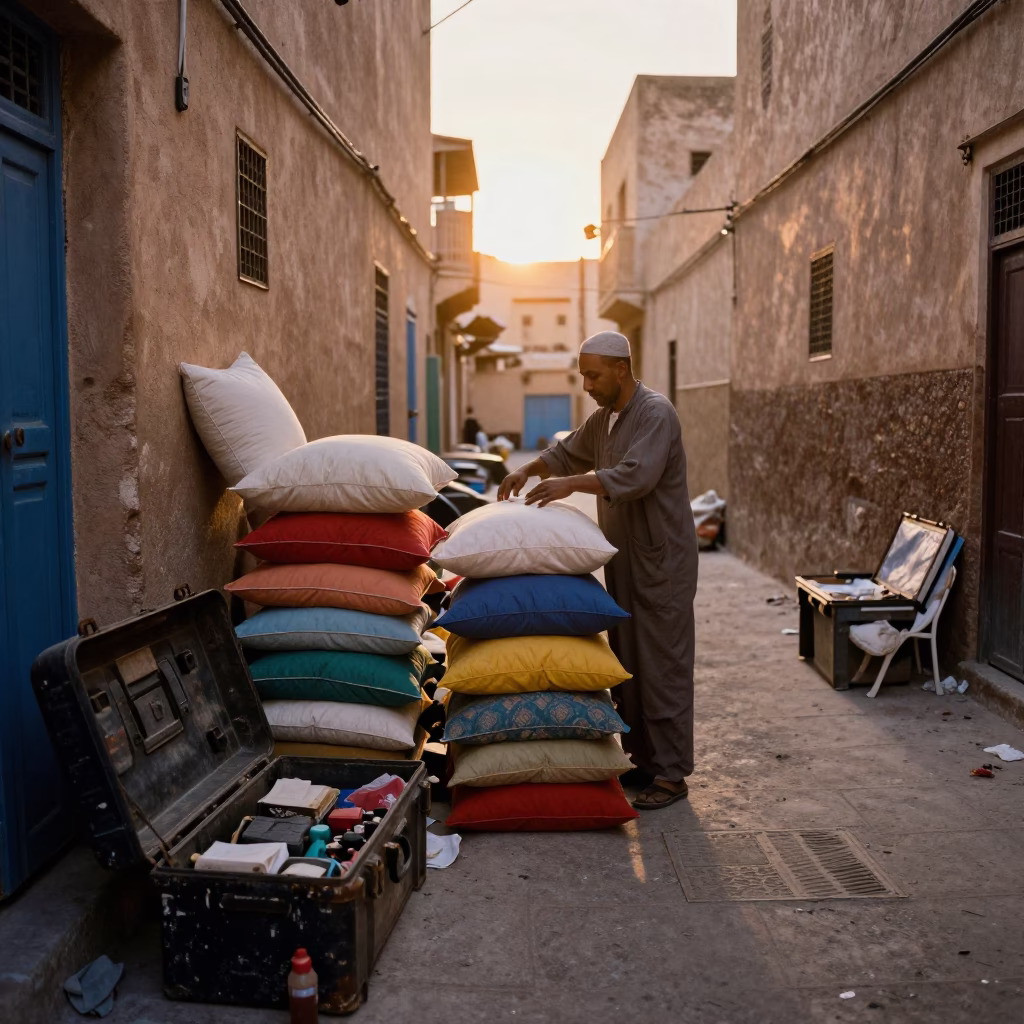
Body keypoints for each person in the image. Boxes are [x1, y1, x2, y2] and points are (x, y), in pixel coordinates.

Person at [498, 330, 698, 809]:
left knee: (662, 665)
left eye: (593, 375)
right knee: (630, 662)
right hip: (626, 558)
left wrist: (571, 485)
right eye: (583, 375)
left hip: (662, 561)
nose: (586, 385)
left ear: (620, 369)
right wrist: (529, 469)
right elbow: (568, 451)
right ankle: (644, 761)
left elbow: (636, 475)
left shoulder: (655, 413)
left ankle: (671, 774)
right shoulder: (606, 417)